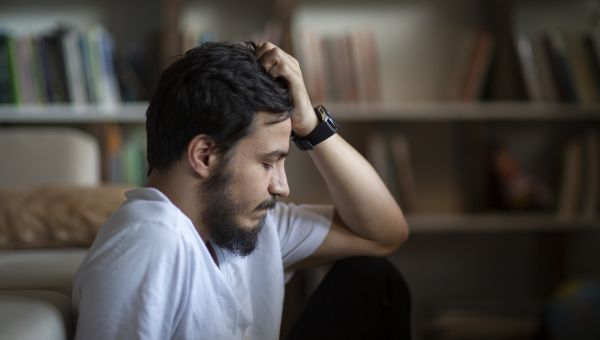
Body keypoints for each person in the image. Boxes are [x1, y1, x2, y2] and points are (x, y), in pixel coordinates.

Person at [72, 41, 411, 340]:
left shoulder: (237, 224)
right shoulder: (150, 240)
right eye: (268, 162)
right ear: (205, 155)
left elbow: (383, 234)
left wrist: (311, 126)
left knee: (372, 280)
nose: (282, 187)